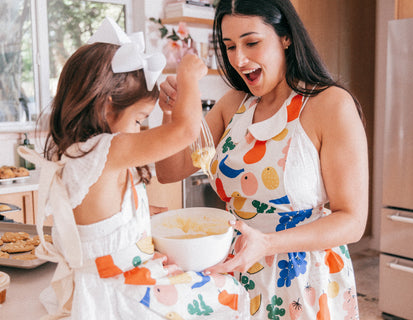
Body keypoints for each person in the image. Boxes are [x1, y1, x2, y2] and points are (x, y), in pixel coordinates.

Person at [18, 18, 250, 320]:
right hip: (119, 294)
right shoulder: (102, 149)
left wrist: (136, 215)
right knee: (229, 293)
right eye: (139, 118)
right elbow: (186, 132)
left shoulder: (83, 153)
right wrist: (188, 75)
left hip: (115, 278)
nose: (139, 129)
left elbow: (100, 217)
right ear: (106, 107)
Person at [155, 0, 369, 319]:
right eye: (229, 46)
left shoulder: (330, 105)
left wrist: (267, 244)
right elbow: (170, 171)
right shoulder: (234, 104)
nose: (239, 59)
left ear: (286, 37)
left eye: (251, 42)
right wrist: (171, 113)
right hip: (237, 269)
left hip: (302, 281)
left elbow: (352, 220)